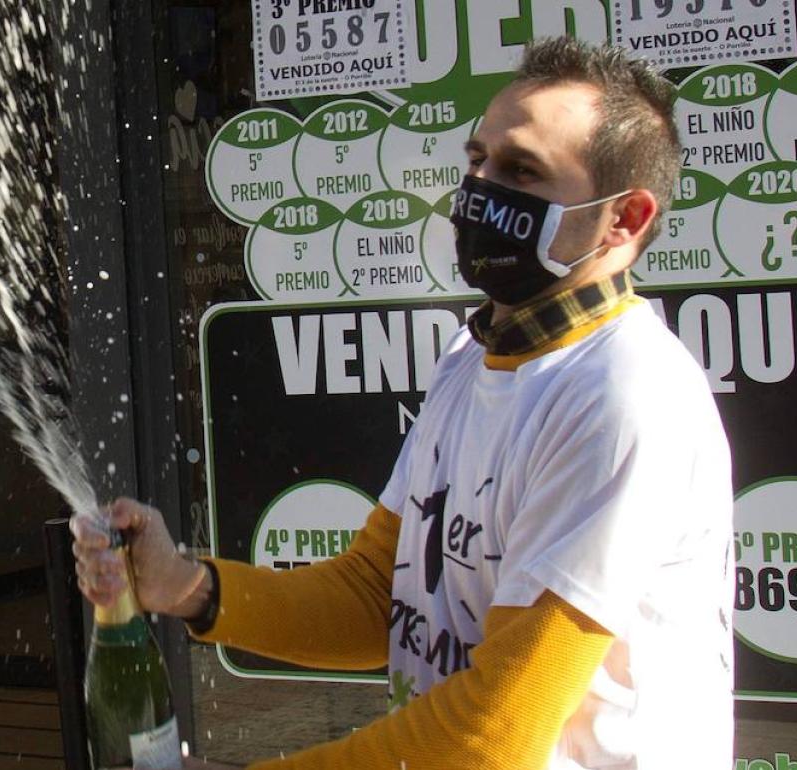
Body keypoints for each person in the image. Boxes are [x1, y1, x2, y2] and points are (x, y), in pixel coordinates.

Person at [74, 37, 734, 769]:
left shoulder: (622, 397)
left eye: (523, 171)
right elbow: (375, 596)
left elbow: (493, 738)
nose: (482, 190)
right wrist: (189, 586)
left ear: (626, 219)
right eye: (478, 160)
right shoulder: (474, 356)